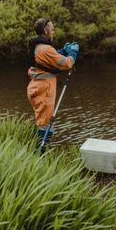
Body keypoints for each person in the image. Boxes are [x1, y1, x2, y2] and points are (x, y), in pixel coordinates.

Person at [27, 18, 79, 146]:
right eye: (52, 29)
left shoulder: (37, 47)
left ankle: (40, 148)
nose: (54, 32)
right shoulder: (45, 49)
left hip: (36, 86)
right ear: (46, 30)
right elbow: (67, 63)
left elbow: (49, 59)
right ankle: (41, 153)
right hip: (44, 89)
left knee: (42, 120)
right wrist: (73, 51)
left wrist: (63, 51)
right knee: (46, 122)